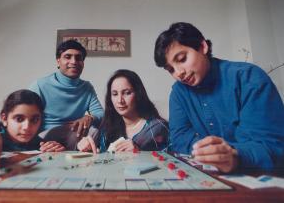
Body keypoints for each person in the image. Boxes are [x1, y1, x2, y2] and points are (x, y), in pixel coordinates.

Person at [154, 22, 284, 173]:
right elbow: (180, 139)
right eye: (170, 69)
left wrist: (233, 155)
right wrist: (211, 153)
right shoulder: (178, 93)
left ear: (203, 47)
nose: (178, 73)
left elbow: (271, 146)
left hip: (262, 178)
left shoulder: (249, 78)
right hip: (211, 175)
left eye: (182, 59)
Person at [0, 89, 65, 173]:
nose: (26, 127)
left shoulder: (39, 142)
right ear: (4, 119)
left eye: (35, 120)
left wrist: (53, 148)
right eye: (19, 119)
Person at [29, 40, 103, 152]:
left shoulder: (86, 87)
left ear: (83, 63)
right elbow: (21, 110)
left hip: (75, 134)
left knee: (95, 130)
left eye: (78, 58)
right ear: (58, 61)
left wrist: (89, 117)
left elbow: (100, 113)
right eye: (67, 57)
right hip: (46, 137)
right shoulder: (40, 85)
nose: (73, 61)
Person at [78, 69, 168, 152]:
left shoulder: (158, 128)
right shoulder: (106, 128)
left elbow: (171, 161)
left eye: (127, 93)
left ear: (138, 94)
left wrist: (139, 151)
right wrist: (86, 146)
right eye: (115, 94)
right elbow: (100, 160)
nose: (120, 100)